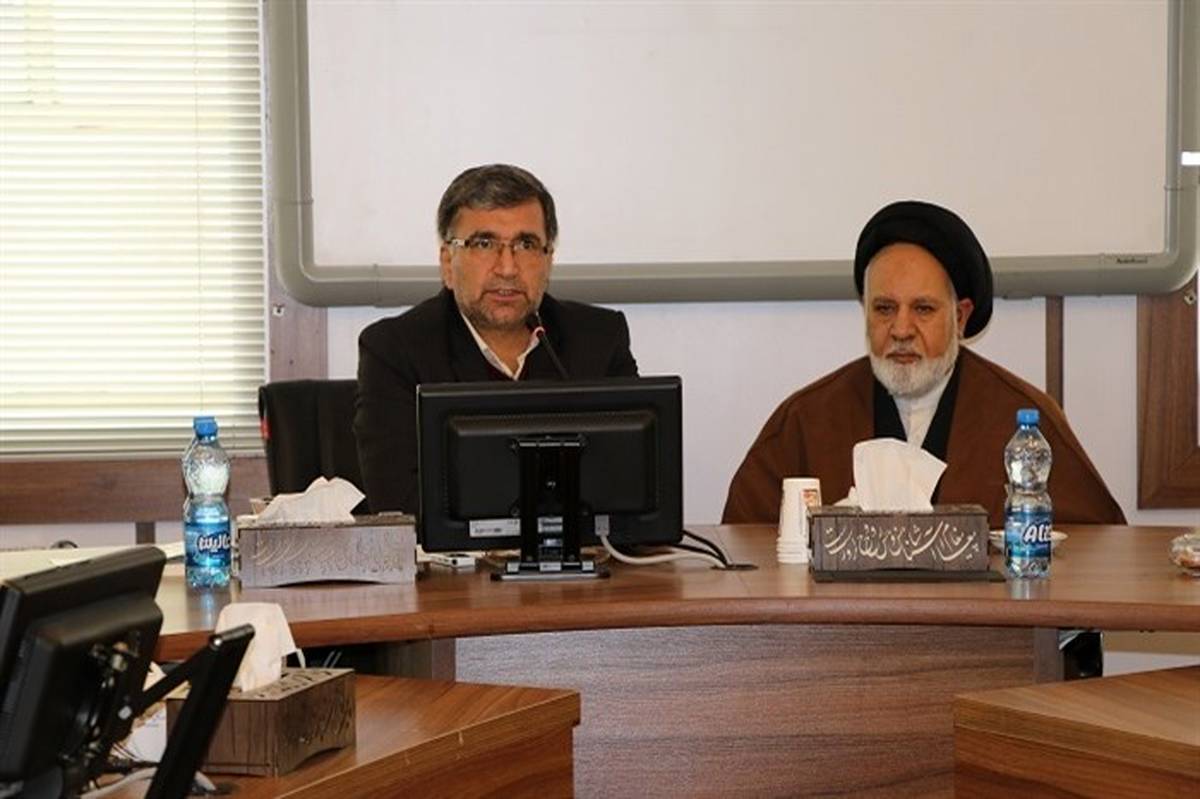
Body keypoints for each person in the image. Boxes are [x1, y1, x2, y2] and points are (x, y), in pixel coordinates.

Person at [722, 200, 1124, 528]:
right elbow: (746, 550)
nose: (901, 329)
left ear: (960, 317)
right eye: (884, 308)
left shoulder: (1020, 421)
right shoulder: (806, 421)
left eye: (923, 309)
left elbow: (1094, 549)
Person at [355, 164, 638, 512]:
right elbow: (399, 504)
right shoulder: (395, 350)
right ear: (447, 262)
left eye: (526, 244)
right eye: (484, 243)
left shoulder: (599, 339)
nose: (507, 268)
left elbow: (633, 485)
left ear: (548, 261)